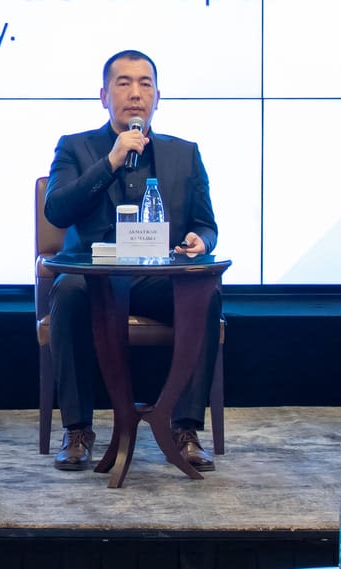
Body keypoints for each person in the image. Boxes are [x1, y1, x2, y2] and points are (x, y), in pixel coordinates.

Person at [43, 50, 221, 472]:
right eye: (124, 83)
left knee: (205, 295)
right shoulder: (76, 148)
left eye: (145, 84)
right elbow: (57, 210)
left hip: (156, 279)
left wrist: (201, 240)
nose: (135, 94)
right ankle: (77, 430)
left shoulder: (185, 153)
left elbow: (206, 224)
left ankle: (186, 429)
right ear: (104, 96)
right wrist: (111, 160)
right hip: (95, 279)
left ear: (158, 96)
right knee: (67, 291)